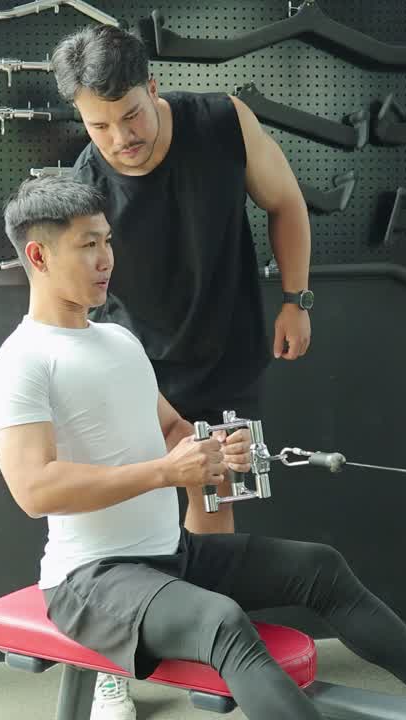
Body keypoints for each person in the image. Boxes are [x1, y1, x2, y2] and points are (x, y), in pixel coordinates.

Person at [0, 174, 406, 720]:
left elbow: (171, 431)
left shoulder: (117, 340)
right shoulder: (22, 363)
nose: (106, 258)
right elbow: (35, 490)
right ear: (39, 255)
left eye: (107, 240)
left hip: (168, 554)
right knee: (223, 621)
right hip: (90, 581)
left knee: (319, 568)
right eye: (88, 245)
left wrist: (214, 450)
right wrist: (166, 473)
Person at [51, 26, 312, 711]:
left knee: (216, 501)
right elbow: (73, 295)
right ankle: (111, 661)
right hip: (134, 365)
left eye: (130, 115)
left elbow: (286, 202)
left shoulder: (223, 121)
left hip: (230, 349)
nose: (118, 137)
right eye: (98, 124)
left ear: (154, 88)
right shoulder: (84, 181)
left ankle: (210, 657)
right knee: (124, 521)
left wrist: (296, 299)